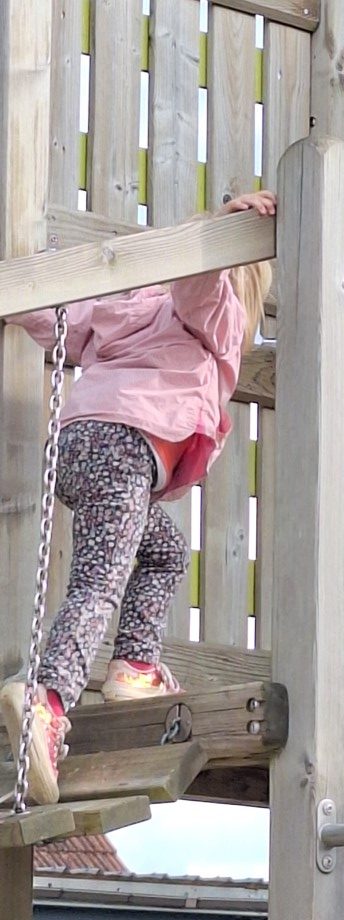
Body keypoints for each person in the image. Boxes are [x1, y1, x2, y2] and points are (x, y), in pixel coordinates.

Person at [0, 190, 276, 806]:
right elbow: (198, 285)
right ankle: (47, 701)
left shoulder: (126, 304)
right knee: (98, 585)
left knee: (164, 550)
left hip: (76, 449)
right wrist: (225, 234)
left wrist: (15, 304)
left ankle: (134, 667)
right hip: (123, 449)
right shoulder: (217, 312)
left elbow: (60, 318)